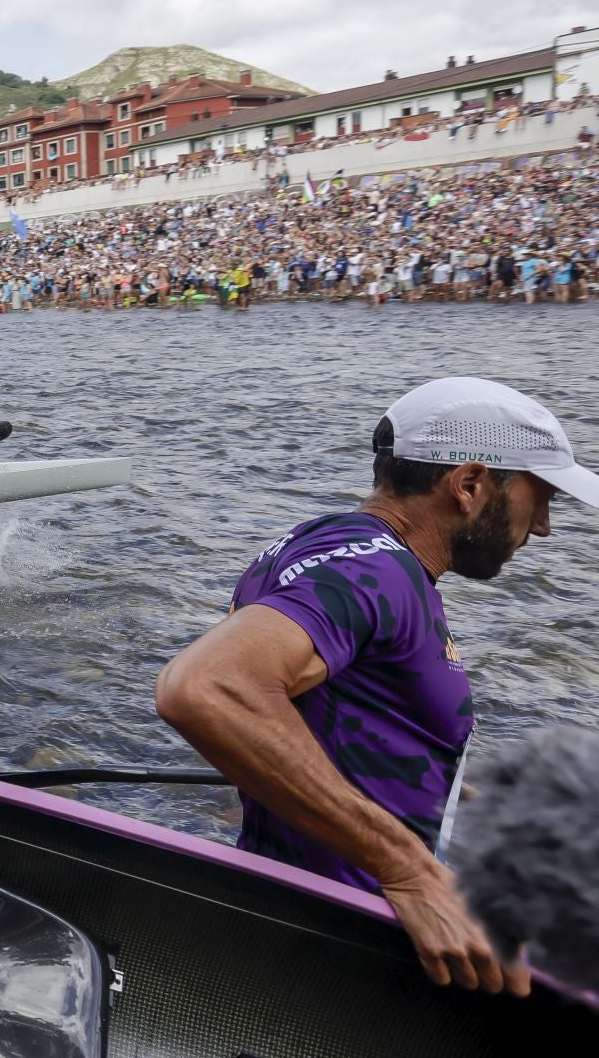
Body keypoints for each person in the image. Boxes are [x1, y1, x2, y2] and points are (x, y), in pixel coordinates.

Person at [156, 377, 599, 995]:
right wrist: (410, 870)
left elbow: (333, 714)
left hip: (292, 911)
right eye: (540, 496)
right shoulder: (376, 571)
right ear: (469, 485)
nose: (545, 526)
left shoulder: (326, 541)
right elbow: (206, 688)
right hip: (344, 941)